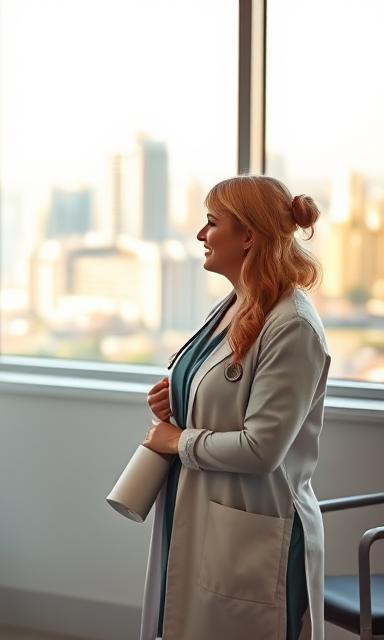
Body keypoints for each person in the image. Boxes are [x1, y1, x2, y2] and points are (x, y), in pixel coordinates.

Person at [139, 175, 330, 640]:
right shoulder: (236, 304)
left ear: (248, 235)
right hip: (200, 513)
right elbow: (221, 390)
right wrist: (178, 399)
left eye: (211, 223)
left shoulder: (293, 327)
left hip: (251, 530)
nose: (200, 234)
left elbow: (262, 449)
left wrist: (178, 440)